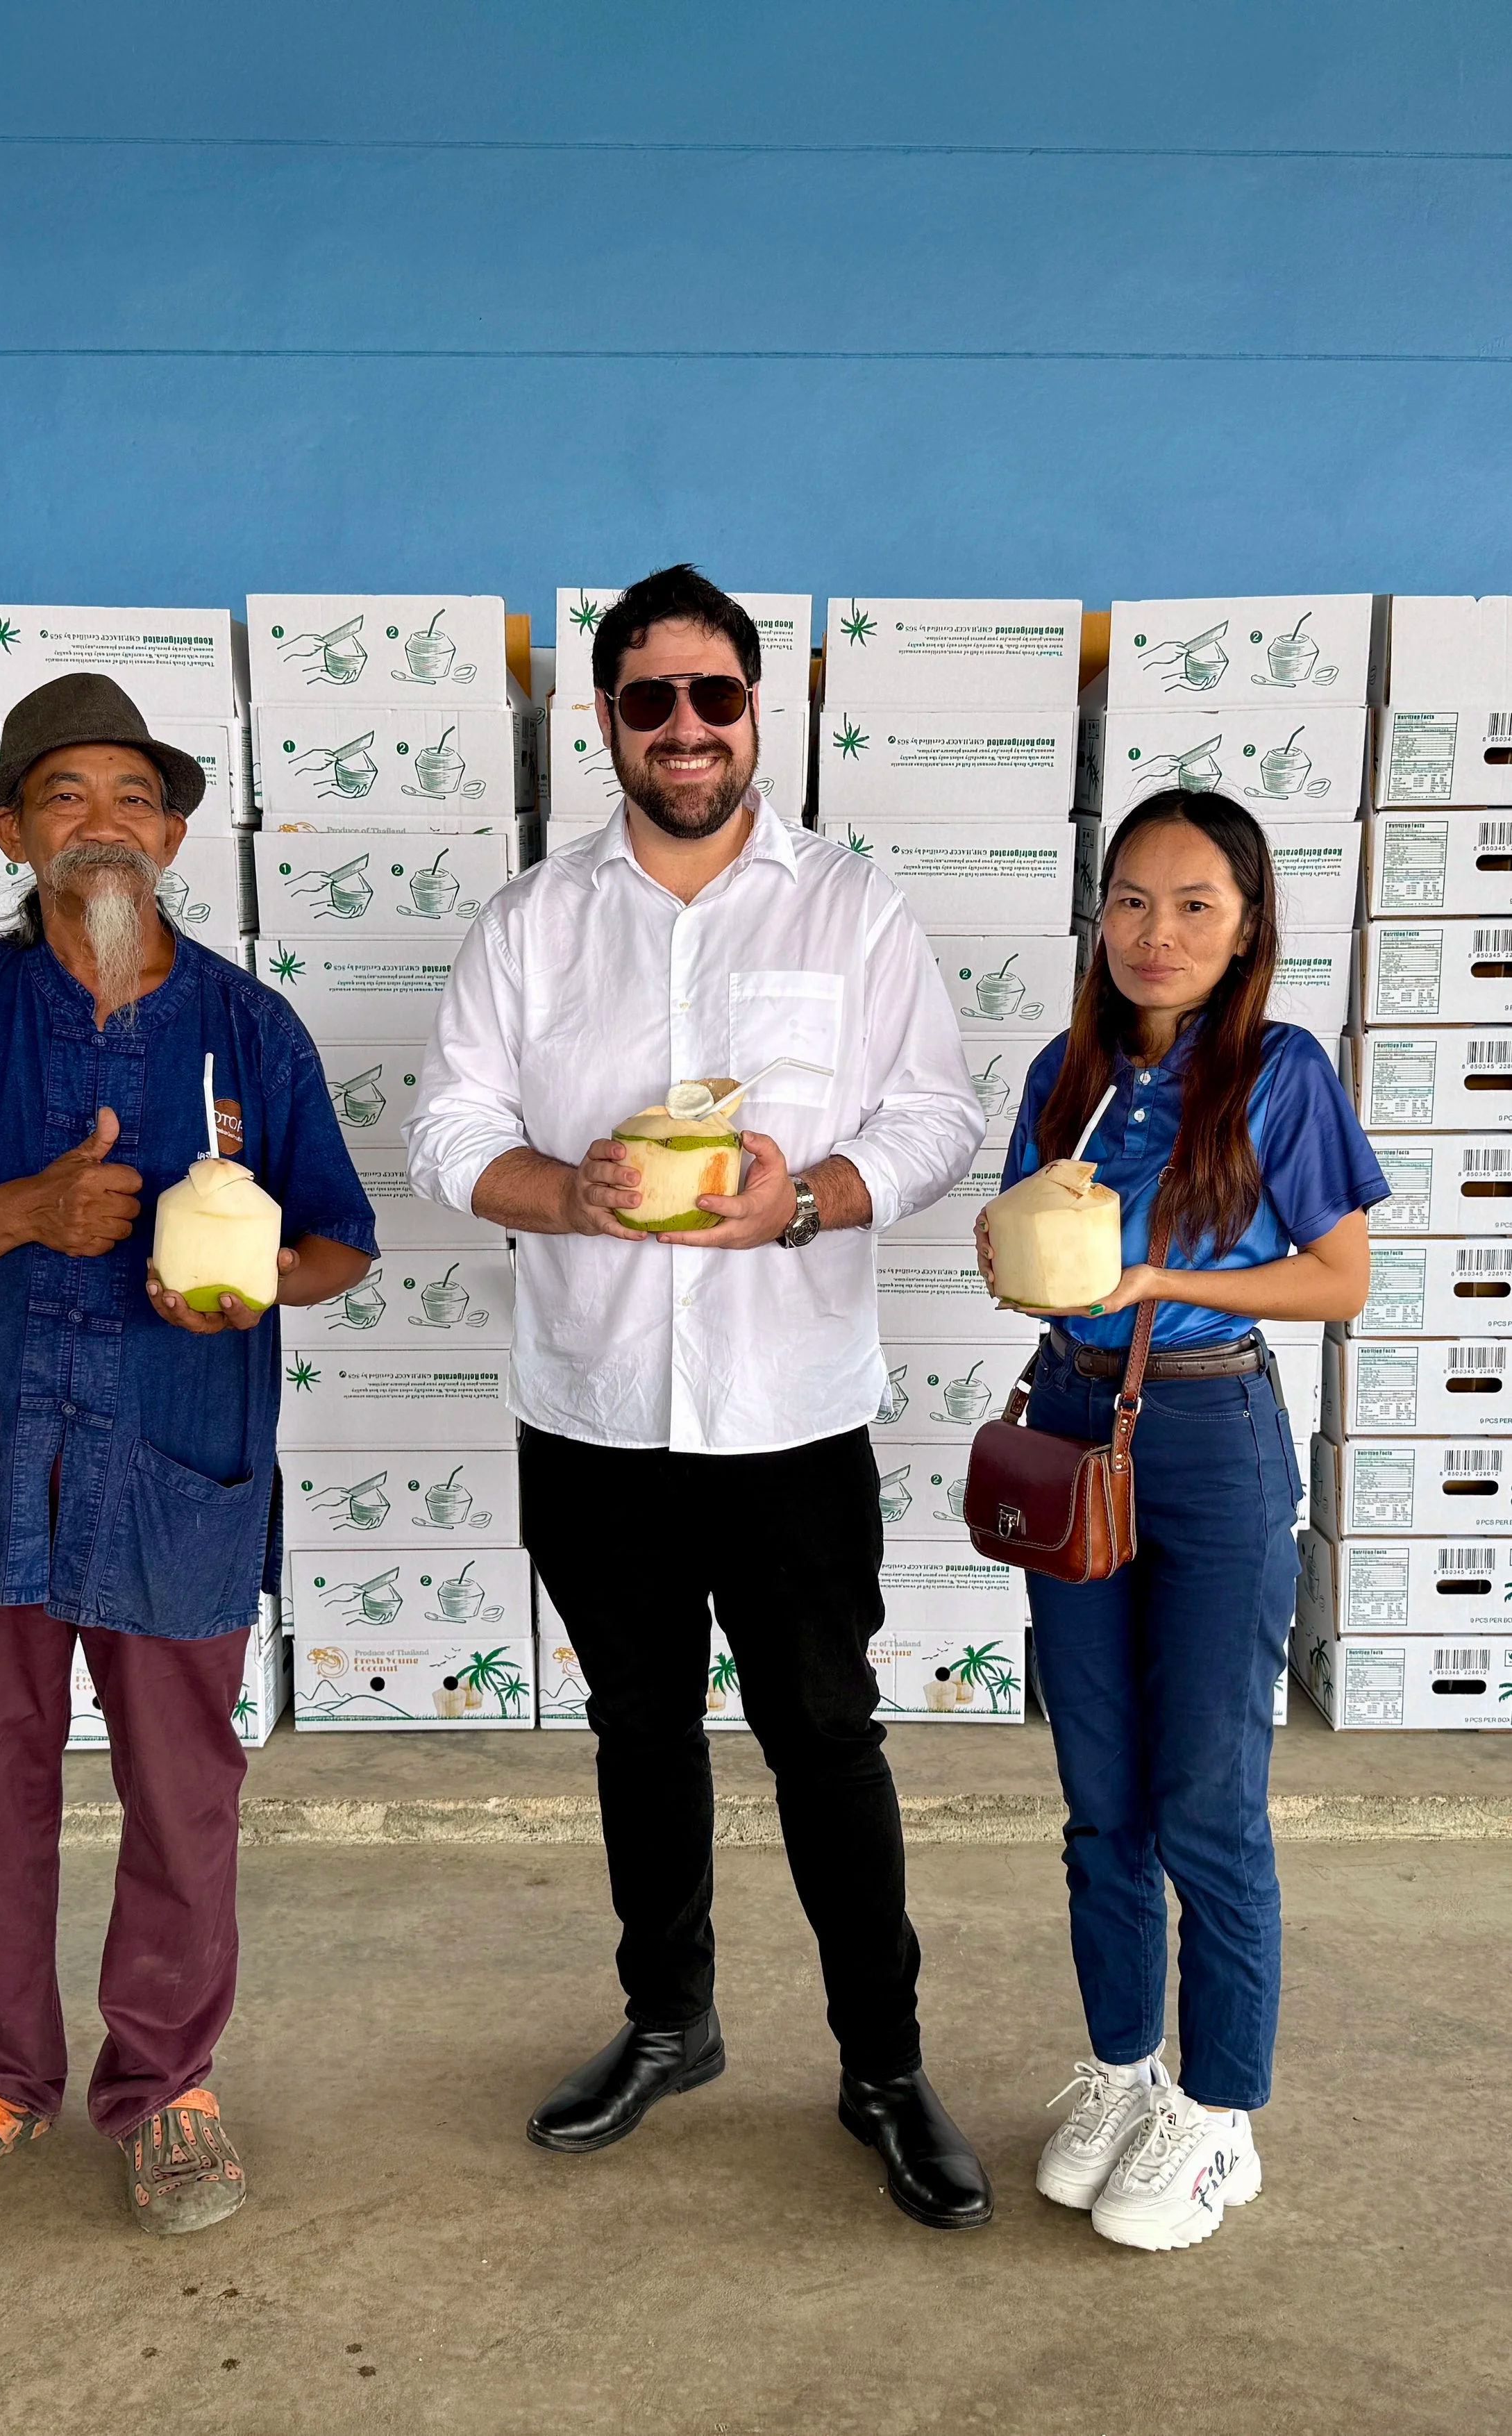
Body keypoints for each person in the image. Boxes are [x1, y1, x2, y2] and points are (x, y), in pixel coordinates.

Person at [406, 565, 994, 2229]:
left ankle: (881, 2059)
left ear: (757, 711)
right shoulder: (532, 919)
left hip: (789, 1407)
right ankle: (669, 2018)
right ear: (603, 721)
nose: (683, 727)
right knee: (635, 1727)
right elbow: (450, 1132)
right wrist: (564, 1189)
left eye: (711, 695)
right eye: (647, 698)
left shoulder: (851, 907)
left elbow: (938, 1117)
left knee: (825, 1733)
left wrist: (801, 1194)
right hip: (590, 1404)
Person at [0, 673, 377, 2235]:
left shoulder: (248, 1028)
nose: (104, 822)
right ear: (10, 830)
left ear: (178, 831)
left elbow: (339, 1243)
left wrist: (250, 1275)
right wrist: (25, 1209)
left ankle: (165, 2087)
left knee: (183, 1793)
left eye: (134, 795)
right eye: (65, 794)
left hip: (176, 1467)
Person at [977, 790, 1385, 2253]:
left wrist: (1156, 1286)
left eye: (1194, 903)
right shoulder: (1063, 1066)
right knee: (1101, 1795)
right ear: (1097, 917)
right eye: (1131, 901)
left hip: (1208, 1428)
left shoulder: (1274, 1073)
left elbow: (1338, 1280)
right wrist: (1012, 1249)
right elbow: (1031, 1256)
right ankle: (1118, 2067)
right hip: (1075, 1422)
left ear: (1247, 924)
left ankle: (1218, 2113)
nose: (1157, 933)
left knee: (1207, 1793)